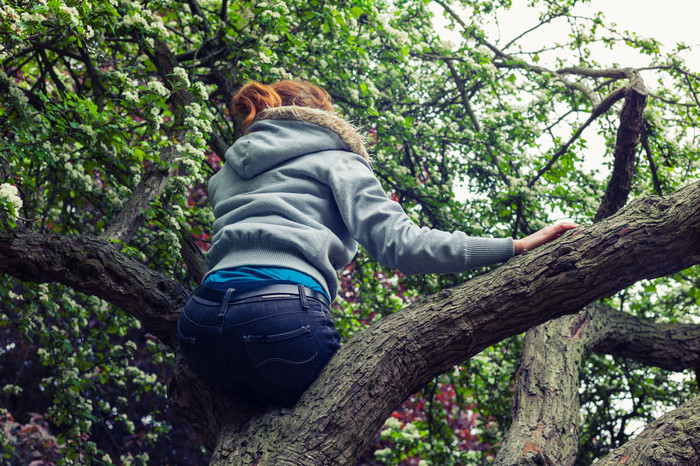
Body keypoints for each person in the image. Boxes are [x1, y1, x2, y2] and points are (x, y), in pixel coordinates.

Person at [177, 80, 577, 408]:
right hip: (282, 321)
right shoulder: (338, 160)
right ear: (323, 117)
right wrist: (515, 246)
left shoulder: (226, 173)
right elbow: (403, 245)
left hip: (200, 330)